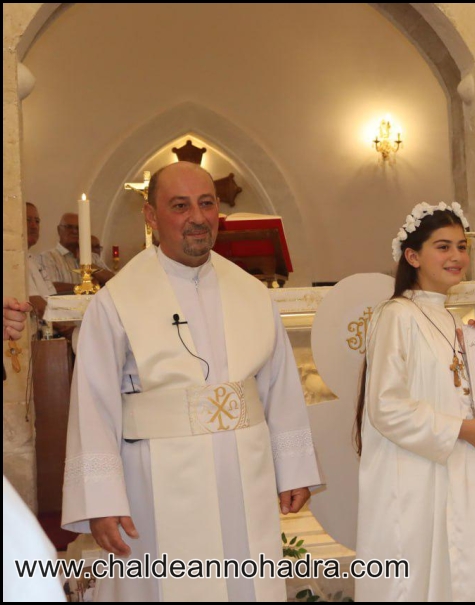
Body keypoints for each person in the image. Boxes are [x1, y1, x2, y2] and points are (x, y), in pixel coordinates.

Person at [61, 162, 322, 601]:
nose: (197, 218)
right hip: (156, 485)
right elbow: (94, 402)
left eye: (206, 204)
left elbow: (279, 388)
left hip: (246, 478)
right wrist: (101, 500)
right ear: (151, 215)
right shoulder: (117, 301)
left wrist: (293, 468)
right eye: (180, 206)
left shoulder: (251, 293)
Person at [354, 202, 475, 602]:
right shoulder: (397, 315)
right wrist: (463, 430)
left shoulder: (450, 320)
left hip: (460, 471)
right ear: (412, 256)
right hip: (414, 477)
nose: (457, 257)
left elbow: (464, 392)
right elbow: (385, 406)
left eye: (462, 247)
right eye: (443, 247)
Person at [38, 212, 114, 293]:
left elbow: (113, 281)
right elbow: (50, 287)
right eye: (69, 227)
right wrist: (87, 287)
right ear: (59, 230)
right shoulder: (47, 257)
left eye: (78, 228)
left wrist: (89, 264)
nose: (74, 231)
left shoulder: (93, 257)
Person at [25, 203, 56, 319]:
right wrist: (64, 324)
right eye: (27, 220)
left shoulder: (33, 259)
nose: (34, 226)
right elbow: (35, 303)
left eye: (37, 221)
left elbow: (52, 297)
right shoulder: (13, 261)